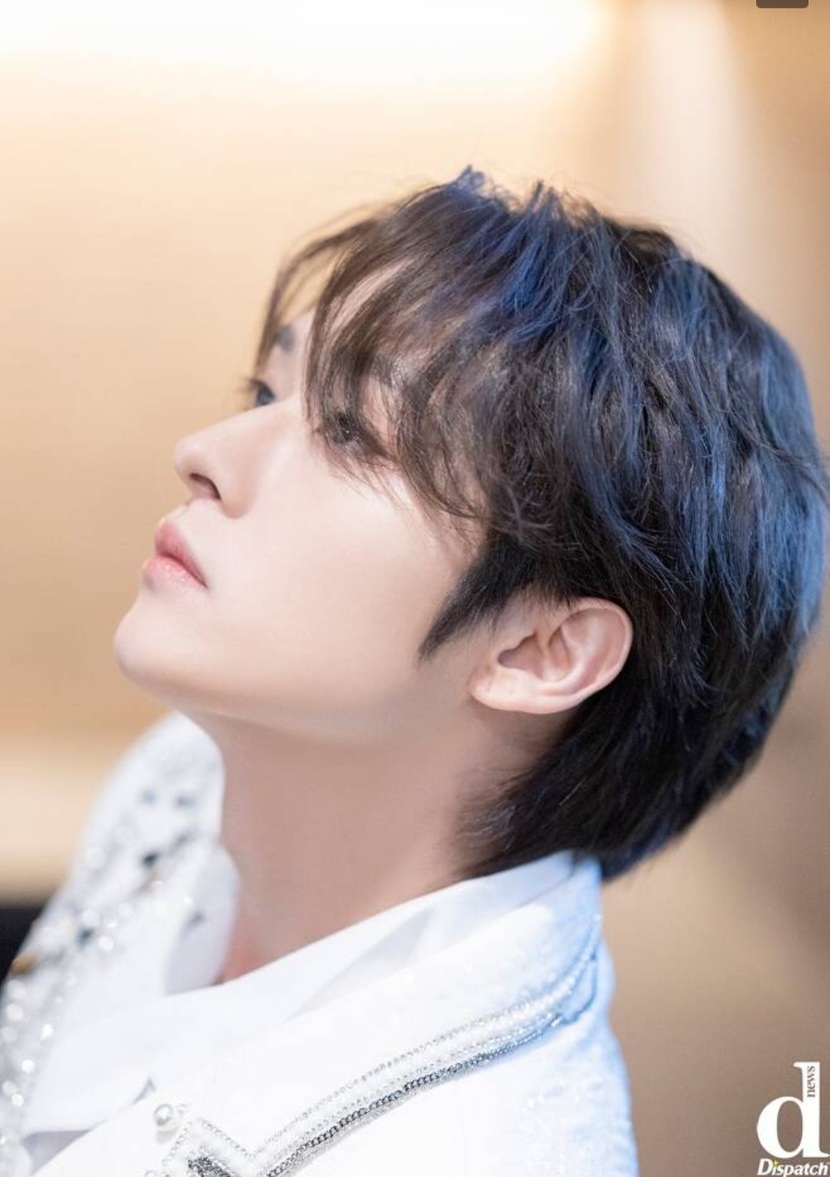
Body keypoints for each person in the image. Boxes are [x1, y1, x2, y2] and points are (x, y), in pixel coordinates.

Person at [1, 165, 828, 1177]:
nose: (203, 451)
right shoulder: (186, 771)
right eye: (264, 392)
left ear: (538, 649)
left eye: (351, 434)